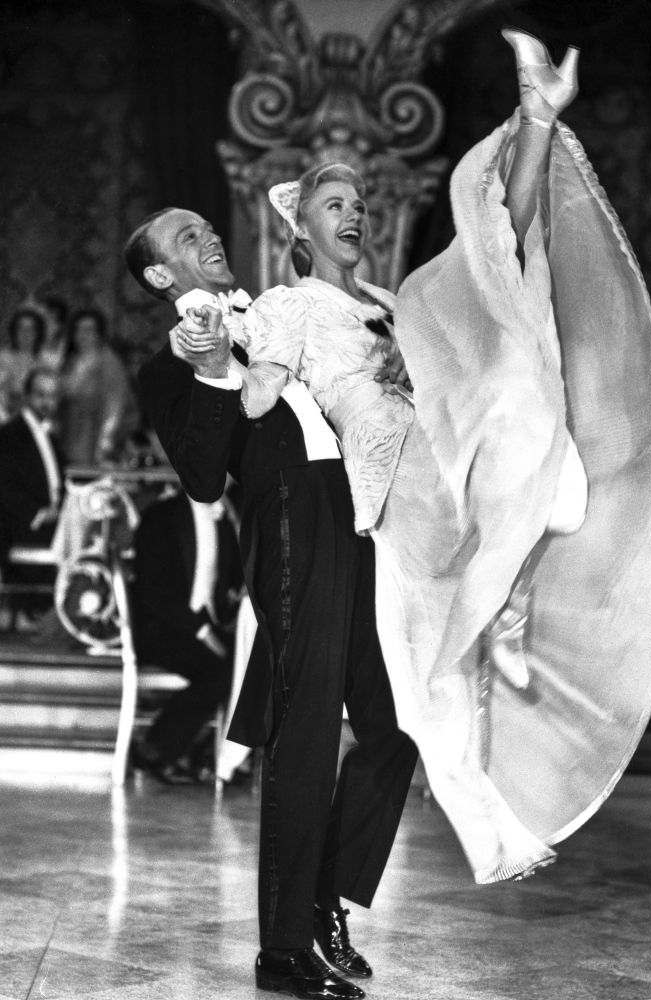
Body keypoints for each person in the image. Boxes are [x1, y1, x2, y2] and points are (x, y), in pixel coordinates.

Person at [177, 30, 651, 885]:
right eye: (336, 204)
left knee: (524, 378)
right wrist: (216, 352)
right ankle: (418, 863)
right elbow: (253, 400)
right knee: (413, 718)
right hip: (382, 520)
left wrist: (536, 122)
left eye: (359, 203)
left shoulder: (394, 300)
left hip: (441, 479)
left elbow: (499, 239)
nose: (355, 214)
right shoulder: (286, 308)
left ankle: (506, 598)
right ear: (302, 226)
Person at [128, 207, 418, 995]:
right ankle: (283, 948)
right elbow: (199, 476)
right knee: (307, 737)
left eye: (206, 229)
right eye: (186, 240)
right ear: (161, 276)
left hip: (358, 517)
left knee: (399, 728)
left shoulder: (280, 310)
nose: (208, 239)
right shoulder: (170, 364)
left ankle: (325, 898)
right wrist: (217, 369)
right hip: (292, 524)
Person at [130, 488, 242, 783]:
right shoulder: (160, 516)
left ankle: (205, 754)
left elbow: (229, 577)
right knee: (222, 671)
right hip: (162, 629)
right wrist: (203, 632)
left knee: (253, 665)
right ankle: (155, 749)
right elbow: (153, 591)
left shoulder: (224, 515)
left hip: (207, 625)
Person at [0, 369, 63, 624]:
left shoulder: (47, 432)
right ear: (26, 396)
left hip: (46, 520)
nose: (47, 402)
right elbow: (3, 488)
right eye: (41, 395)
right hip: (23, 526)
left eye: (53, 396)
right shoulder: (10, 435)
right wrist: (38, 514)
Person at [60, 308, 138, 464]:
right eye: (78, 329)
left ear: (99, 333)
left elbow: (116, 404)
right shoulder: (71, 361)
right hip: (70, 431)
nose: (83, 334)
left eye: (88, 329)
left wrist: (106, 438)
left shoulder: (109, 361)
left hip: (94, 436)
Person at [0, 309, 46, 422]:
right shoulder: (3, 358)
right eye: (21, 328)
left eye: (31, 329)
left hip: (35, 422)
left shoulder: (45, 363)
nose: (26, 333)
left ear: (38, 332)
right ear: (13, 331)